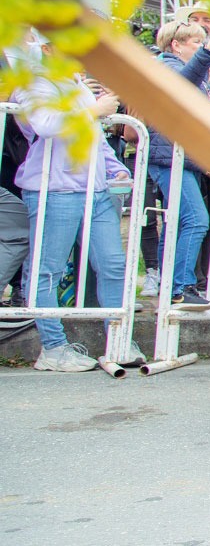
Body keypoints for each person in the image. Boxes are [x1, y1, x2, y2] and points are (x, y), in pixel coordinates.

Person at [8, 48, 141, 371]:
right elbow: (47, 125)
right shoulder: (33, 83)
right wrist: (95, 109)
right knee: (46, 270)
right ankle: (53, 348)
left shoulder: (77, 83)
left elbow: (93, 137)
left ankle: (119, 339)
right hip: (54, 190)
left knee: (112, 265)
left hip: (94, 191)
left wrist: (115, 169)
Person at [153, 19, 210, 309]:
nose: (200, 47)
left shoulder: (186, 71)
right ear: (176, 45)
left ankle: (169, 286)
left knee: (176, 224)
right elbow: (182, 87)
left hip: (182, 157)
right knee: (196, 220)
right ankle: (180, 287)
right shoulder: (165, 66)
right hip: (170, 156)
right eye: (195, 42)